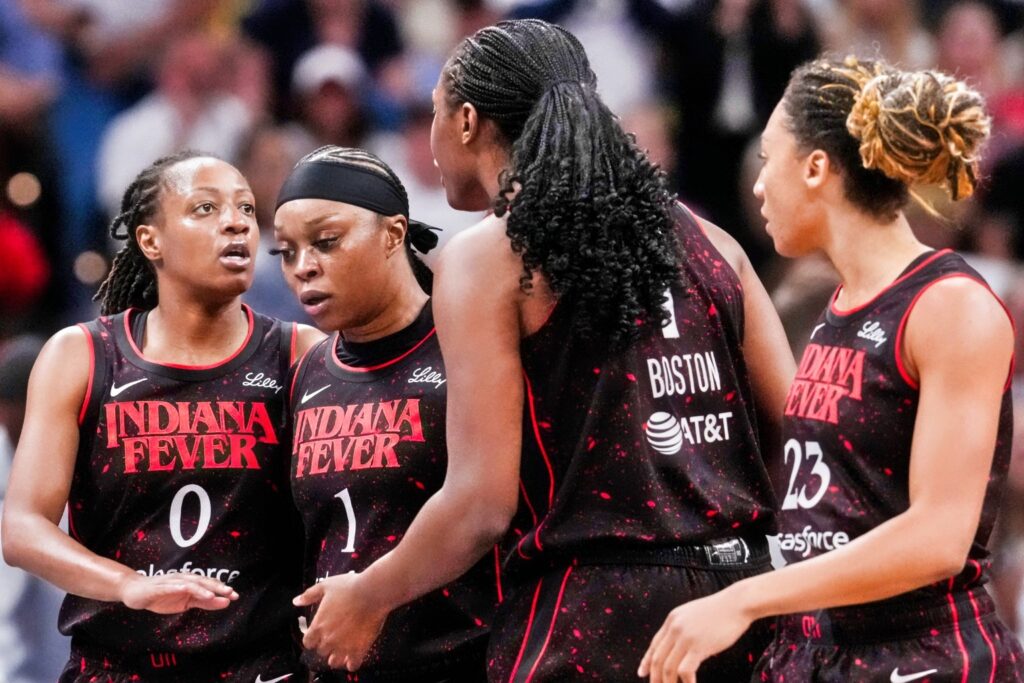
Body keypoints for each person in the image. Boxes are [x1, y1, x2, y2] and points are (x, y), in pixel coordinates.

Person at [289, 19, 795, 681]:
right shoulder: (714, 243)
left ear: (466, 120)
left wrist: (370, 593)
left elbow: (480, 502)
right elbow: (805, 433)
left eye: (437, 111)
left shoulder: (487, 258)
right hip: (745, 610)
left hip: (599, 624)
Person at [638, 56, 1024, 682]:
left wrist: (742, 599)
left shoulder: (950, 305)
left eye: (769, 160)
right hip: (818, 648)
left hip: (923, 656)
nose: (759, 186)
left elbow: (939, 539)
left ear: (816, 167)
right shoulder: (836, 307)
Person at [1, 150, 323, 682]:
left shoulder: (298, 352)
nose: (236, 221)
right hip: (117, 664)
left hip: (261, 666)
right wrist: (129, 585)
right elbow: (23, 529)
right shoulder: (81, 354)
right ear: (151, 241)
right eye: (205, 208)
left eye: (245, 207)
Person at [273, 145, 499, 680]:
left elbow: (489, 510)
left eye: (326, 242)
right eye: (285, 251)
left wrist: (372, 597)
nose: (304, 267)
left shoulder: (466, 341)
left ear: (394, 234)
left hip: (466, 664)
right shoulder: (308, 372)